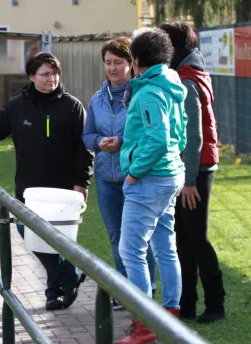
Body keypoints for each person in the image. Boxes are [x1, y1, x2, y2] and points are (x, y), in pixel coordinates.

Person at [0, 52, 94, 311]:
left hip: (63, 188)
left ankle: (55, 291)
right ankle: (68, 277)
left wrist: (81, 183)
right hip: (29, 188)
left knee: (57, 238)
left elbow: (84, 148)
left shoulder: (72, 106)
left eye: (54, 73)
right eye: (45, 74)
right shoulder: (18, 107)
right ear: (32, 76)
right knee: (27, 232)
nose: (51, 79)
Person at [113, 29, 187, 344]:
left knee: (131, 250)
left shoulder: (147, 93)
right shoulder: (171, 85)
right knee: (164, 245)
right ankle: (169, 312)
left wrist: (134, 173)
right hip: (171, 175)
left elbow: (157, 138)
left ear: (137, 61)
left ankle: (144, 324)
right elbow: (180, 134)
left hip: (150, 180)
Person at [82, 37, 157, 310]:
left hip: (135, 177)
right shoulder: (97, 99)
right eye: (108, 63)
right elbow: (87, 135)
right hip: (105, 177)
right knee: (116, 236)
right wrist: (98, 143)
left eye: (118, 62)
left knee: (137, 237)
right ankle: (125, 291)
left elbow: (149, 134)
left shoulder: (142, 95)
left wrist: (121, 142)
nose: (112, 68)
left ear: (131, 64)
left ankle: (146, 290)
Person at [159, 22, 226, 324]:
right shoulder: (186, 74)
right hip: (190, 167)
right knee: (182, 238)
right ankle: (186, 304)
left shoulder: (187, 81)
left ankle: (215, 305)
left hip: (197, 169)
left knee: (196, 237)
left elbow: (194, 136)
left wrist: (188, 182)